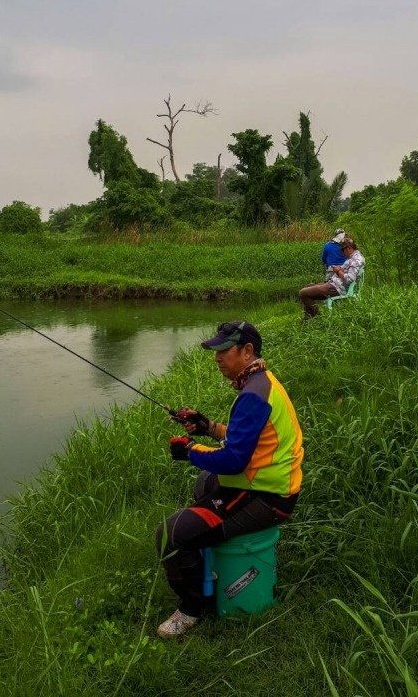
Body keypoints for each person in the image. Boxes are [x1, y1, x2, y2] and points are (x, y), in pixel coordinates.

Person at [155, 320, 304, 638]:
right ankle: (207, 564)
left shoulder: (253, 395)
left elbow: (235, 460)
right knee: (205, 484)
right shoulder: (262, 382)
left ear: (247, 351)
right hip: (269, 486)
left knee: (168, 535)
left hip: (265, 496)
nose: (217, 357)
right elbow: (245, 438)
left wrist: (190, 450)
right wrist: (207, 426)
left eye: (223, 350)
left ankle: (193, 608)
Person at [298, 238, 365, 318]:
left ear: (349, 248)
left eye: (343, 251)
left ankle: (317, 318)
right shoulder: (353, 258)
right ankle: (308, 319)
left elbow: (350, 278)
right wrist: (339, 268)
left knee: (303, 293)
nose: (343, 254)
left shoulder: (356, 260)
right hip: (334, 284)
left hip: (338, 288)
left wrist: (337, 271)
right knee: (307, 287)